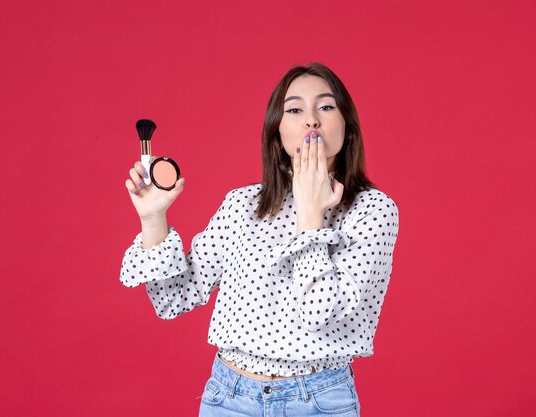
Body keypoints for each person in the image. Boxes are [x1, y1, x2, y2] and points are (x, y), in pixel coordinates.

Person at [120, 62, 399, 417]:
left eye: (326, 107)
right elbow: (173, 299)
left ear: (347, 125)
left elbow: (319, 313)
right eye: (295, 109)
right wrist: (153, 217)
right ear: (276, 130)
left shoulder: (372, 210)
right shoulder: (242, 204)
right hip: (229, 398)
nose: (311, 120)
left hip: (317, 401)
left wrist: (311, 215)